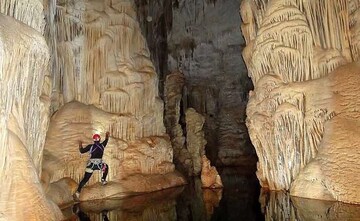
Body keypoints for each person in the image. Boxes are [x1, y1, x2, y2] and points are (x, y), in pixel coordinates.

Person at [74, 132, 110, 200]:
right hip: (99, 165)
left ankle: (78, 192)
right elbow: (106, 140)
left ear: (94, 140)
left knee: (85, 179)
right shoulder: (102, 145)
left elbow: (81, 151)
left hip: (91, 165)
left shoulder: (90, 146)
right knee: (106, 167)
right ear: (99, 139)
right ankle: (103, 179)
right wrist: (107, 136)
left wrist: (80, 144)